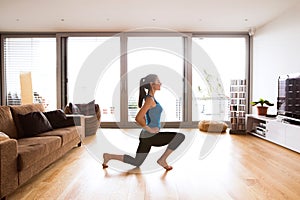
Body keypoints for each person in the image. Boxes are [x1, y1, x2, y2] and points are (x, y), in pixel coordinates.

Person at [102, 74, 185, 171]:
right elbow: (138, 118)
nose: (161, 83)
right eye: (158, 81)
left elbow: (143, 117)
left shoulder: (151, 98)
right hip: (150, 136)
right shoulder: (149, 99)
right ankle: (162, 160)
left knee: (137, 162)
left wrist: (147, 125)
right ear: (151, 84)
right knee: (180, 137)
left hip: (146, 137)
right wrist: (149, 129)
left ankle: (109, 156)